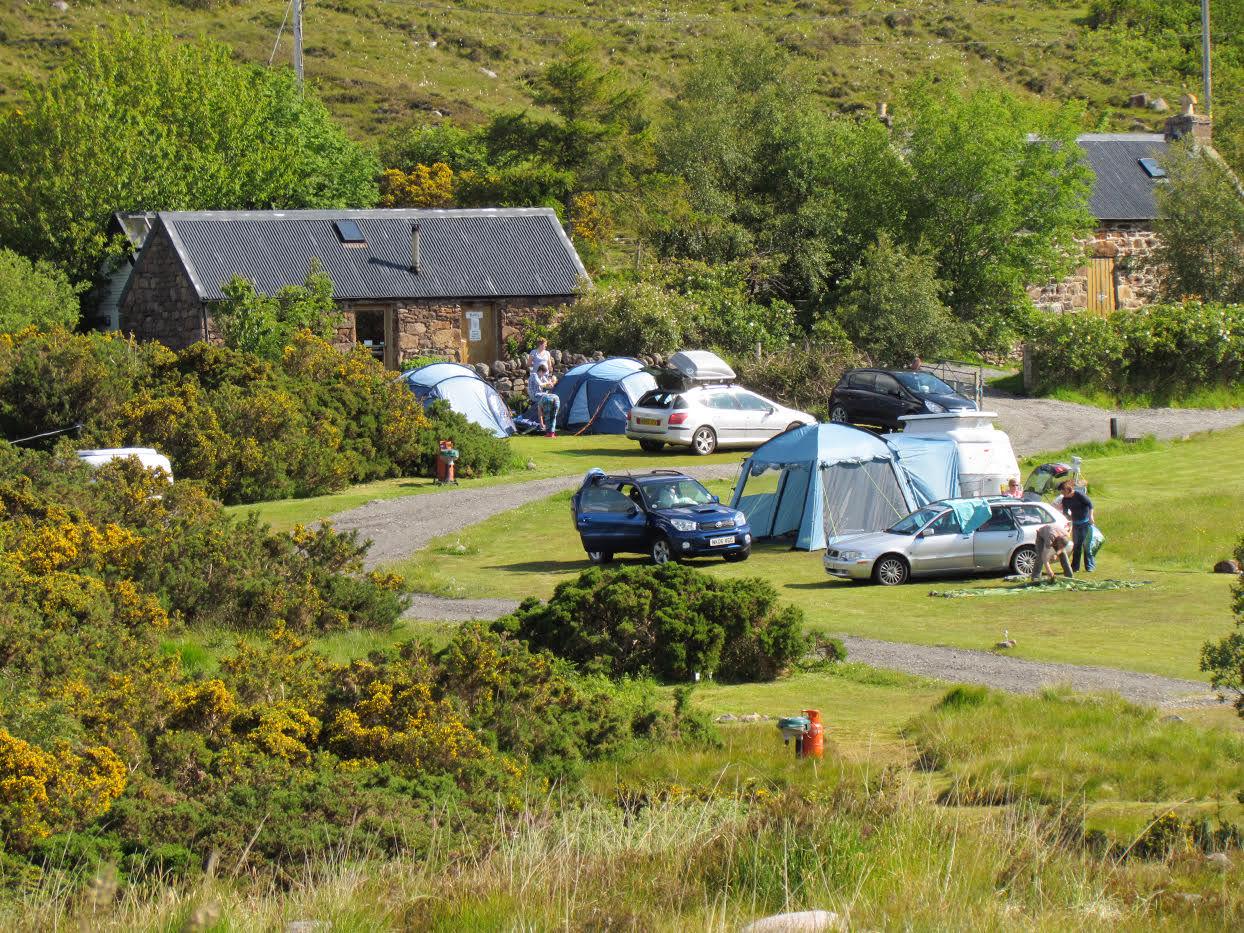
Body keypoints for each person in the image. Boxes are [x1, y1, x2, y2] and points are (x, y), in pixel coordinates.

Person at [1058, 480, 1096, 572]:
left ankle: (1090, 566)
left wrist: (1091, 516)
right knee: (1077, 546)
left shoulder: (1079, 495)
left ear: (1067, 490)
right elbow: (1065, 512)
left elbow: (1090, 505)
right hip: (1076, 524)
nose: (1061, 494)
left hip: (1085, 523)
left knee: (1086, 545)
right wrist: (1069, 518)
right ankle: (1075, 567)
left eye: (1062, 491)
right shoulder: (1065, 500)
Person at [527, 363, 559, 437]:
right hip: (534, 395)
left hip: (540, 394)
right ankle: (544, 425)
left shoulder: (542, 376)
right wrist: (548, 383)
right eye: (544, 373)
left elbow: (549, 385)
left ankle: (547, 426)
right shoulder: (534, 375)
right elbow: (541, 384)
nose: (544, 374)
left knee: (549, 398)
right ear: (540, 371)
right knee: (547, 397)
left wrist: (552, 382)